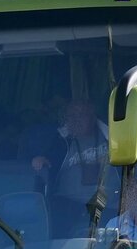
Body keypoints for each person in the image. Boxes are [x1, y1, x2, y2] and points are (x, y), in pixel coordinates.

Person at [30, 99, 120, 236]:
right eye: (71, 116)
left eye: (81, 115)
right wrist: (39, 159)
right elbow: (43, 158)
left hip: (108, 206)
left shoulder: (113, 136)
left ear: (92, 116)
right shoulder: (59, 140)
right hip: (68, 206)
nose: (76, 120)